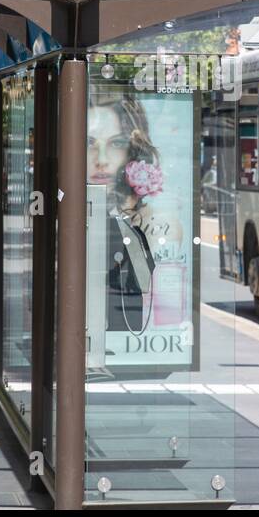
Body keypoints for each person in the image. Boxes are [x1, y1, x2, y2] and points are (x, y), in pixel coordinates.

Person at [88, 91, 183, 335]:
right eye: (89, 143)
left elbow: (147, 281)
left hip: (128, 330)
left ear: (133, 152)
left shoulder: (155, 222)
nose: (101, 160)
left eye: (116, 143)